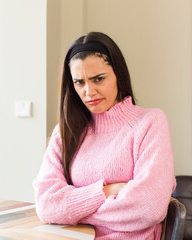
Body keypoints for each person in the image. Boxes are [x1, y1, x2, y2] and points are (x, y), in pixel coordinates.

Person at [33, 32, 176, 240]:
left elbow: (149, 207)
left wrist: (72, 211)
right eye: (79, 82)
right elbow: (46, 206)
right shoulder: (65, 132)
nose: (89, 92)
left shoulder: (150, 123)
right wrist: (106, 191)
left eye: (98, 79)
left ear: (118, 74)